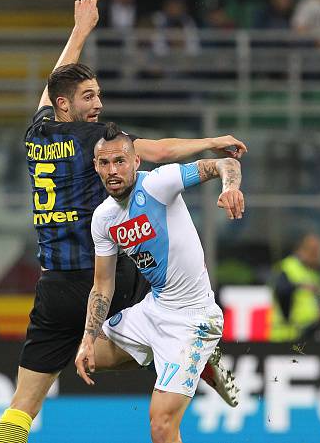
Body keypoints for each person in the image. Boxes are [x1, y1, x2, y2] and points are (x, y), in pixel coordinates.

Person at [0, 0, 244, 443]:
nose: (98, 105)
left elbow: (51, 90)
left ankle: (188, 351)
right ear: (67, 106)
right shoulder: (95, 142)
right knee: (172, 304)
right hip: (106, 277)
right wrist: (212, 141)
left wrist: (80, 31)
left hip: (53, 288)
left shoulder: (36, 134)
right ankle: (196, 351)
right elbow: (160, 152)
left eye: (100, 96)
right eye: (89, 97)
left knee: (22, 404)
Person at [74, 126, 245, 443]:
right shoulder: (104, 218)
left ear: (136, 161)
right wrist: (87, 338)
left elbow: (225, 164)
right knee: (91, 357)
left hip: (194, 319)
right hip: (154, 310)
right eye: (105, 163)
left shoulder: (158, 183)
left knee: (161, 427)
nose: (113, 170)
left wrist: (230, 188)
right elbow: (102, 286)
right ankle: (191, 363)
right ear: (96, 167)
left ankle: (188, 358)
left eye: (120, 161)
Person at [268, 233, 320, 342]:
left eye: (318, 251)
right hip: (285, 334)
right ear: (300, 250)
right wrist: (300, 286)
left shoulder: (315, 274)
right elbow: (282, 291)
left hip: (307, 333)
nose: (316, 255)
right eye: (312, 250)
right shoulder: (287, 267)